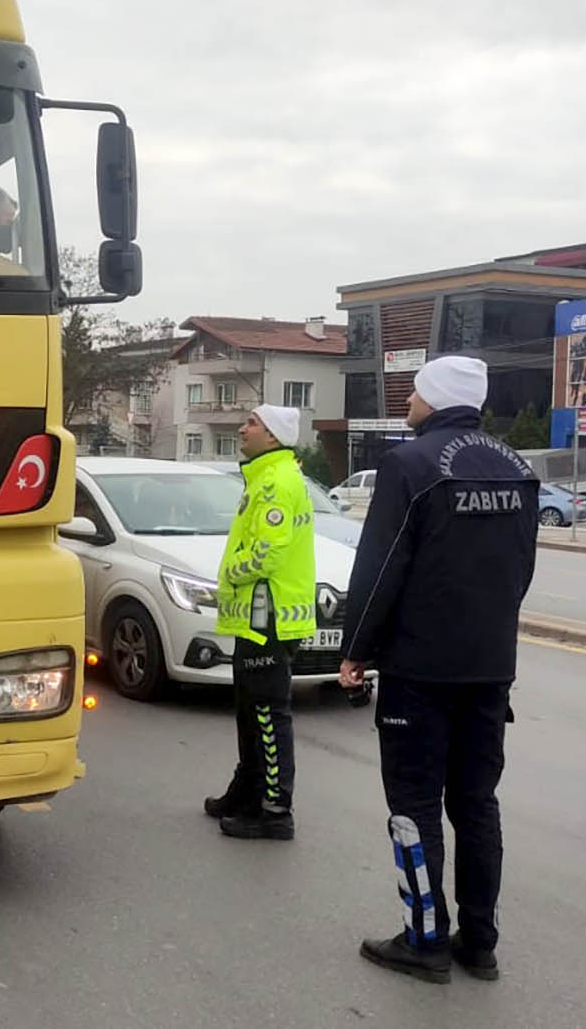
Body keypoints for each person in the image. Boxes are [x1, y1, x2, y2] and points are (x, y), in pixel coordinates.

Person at [337, 356, 538, 985]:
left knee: (414, 802)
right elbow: (520, 572)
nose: (408, 405)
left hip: (420, 670)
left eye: (414, 395)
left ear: (432, 400)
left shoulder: (410, 466)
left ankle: (424, 939)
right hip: (489, 667)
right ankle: (479, 942)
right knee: (476, 802)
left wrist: (355, 648)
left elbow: (381, 565)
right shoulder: (518, 468)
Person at [203, 404, 315, 841]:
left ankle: (274, 809)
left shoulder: (276, 481)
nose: (242, 428)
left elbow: (269, 552)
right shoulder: (266, 475)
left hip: (267, 619)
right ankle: (247, 791)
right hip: (255, 620)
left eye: (251, 423)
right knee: (250, 711)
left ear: (272, 436)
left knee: (267, 714)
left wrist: (230, 573)